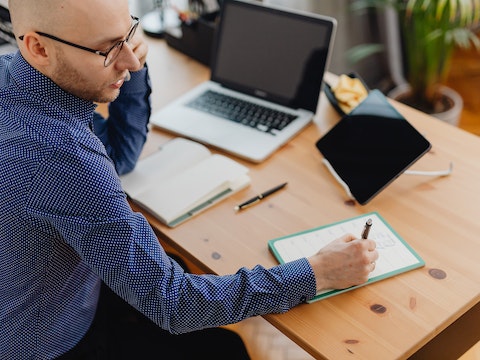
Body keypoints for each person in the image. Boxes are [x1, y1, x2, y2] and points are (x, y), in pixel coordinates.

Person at [0, 0, 379, 358]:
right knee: (224, 351)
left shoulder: (17, 82)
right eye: (107, 50)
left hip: (44, 292)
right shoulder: (62, 155)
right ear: (38, 48)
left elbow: (118, 156)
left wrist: (124, 68)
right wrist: (317, 272)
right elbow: (172, 303)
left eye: (128, 35)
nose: (131, 62)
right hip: (49, 340)